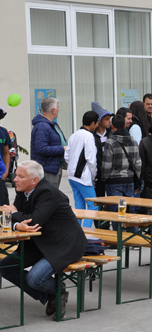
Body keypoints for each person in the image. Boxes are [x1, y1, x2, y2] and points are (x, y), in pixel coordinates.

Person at [0, 160, 87, 320]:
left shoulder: (48, 192)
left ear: (34, 180)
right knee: (5, 267)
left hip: (64, 245)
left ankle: (58, 290)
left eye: (20, 176)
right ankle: (51, 295)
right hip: (39, 243)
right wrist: (17, 224)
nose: (15, 180)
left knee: (35, 278)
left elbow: (33, 221)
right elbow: (19, 220)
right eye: (16, 175)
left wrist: (14, 215)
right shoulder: (23, 191)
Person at [102, 115, 142, 227]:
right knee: (129, 210)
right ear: (125, 125)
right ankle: (132, 236)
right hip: (129, 180)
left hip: (114, 182)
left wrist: (104, 178)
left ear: (112, 126)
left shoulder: (110, 142)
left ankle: (118, 239)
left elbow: (107, 165)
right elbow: (138, 163)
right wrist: (137, 177)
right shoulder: (133, 141)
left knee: (118, 213)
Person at [64, 110, 99, 228]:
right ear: (93, 123)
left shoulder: (74, 134)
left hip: (72, 175)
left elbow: (67, 155)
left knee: (79, 205)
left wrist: (73, 165)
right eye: (97, 123)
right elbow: (91, 159)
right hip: (83, 177)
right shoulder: (88, 136)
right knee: (93, 205)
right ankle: (86, 232)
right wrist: (93, 175)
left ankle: (78, 232)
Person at [31, 97, 67, 188]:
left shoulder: (51, 125)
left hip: (54, 168)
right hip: (47, 170)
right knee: (49, 198)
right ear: (53, 110)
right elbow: (41, 148)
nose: (59, 110)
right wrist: (63, 148)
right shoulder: (42, 126)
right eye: (58, 108)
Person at [0, 108, 11, 205]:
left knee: (3, 206)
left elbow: (6, 153)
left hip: (0, 176)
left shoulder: (3, 132)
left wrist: (6, 171)